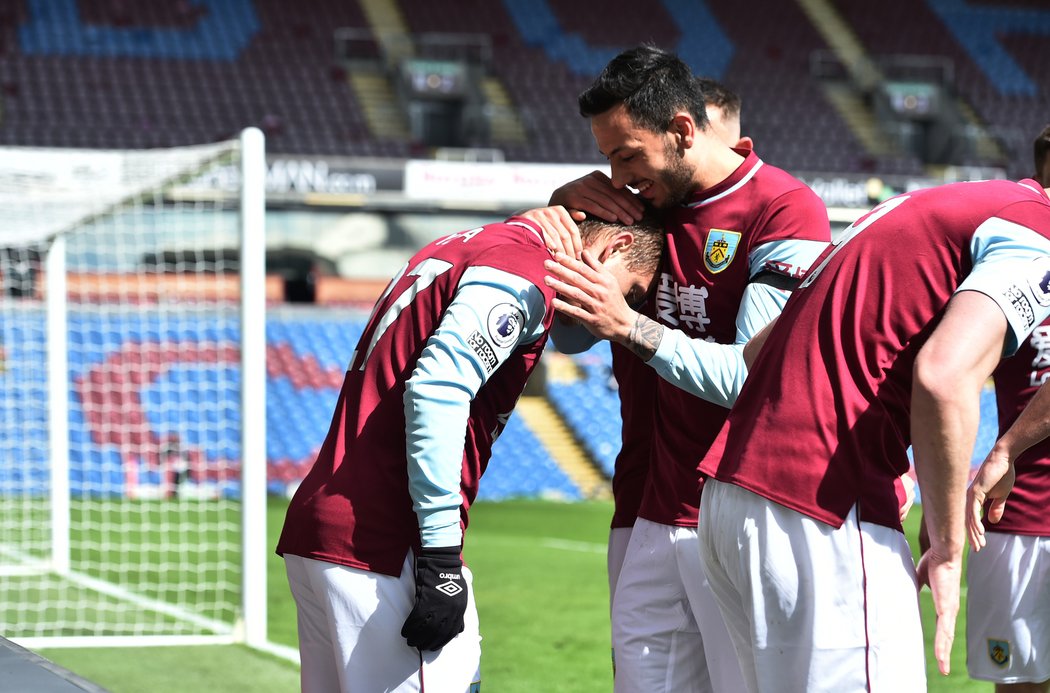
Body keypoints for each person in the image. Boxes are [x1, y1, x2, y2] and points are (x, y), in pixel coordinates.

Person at [538, 45, 832, 692]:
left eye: (628, 154)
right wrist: (566, 217)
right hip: (649, 508)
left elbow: (753, 382)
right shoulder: (641, 206)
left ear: (682, 130)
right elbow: (568, 340)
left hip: (740, 514)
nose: (618, 175)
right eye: (610, 157)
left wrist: (630, 325)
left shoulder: (783, 209)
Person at [685, 176, 1050, 692]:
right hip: (824, 501)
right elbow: (945, 376)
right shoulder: (1033, 224)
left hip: (731, 498)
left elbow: (757, 350)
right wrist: (947, 546)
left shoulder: (927, 207)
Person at [275, 209, 664, 693]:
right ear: (617, 247)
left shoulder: (480, 242)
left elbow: (571, 337)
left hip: (331, 527)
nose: (617, 310)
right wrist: (439, 556)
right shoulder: (523, 270)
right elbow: (437, 387)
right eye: (631, 293)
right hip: (386, 538)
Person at [963, 126, 1050, 692]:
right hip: (1015, 515)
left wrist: (1005, 448)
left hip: (1009, 489)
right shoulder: (1008, 255)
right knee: (1018, 686)